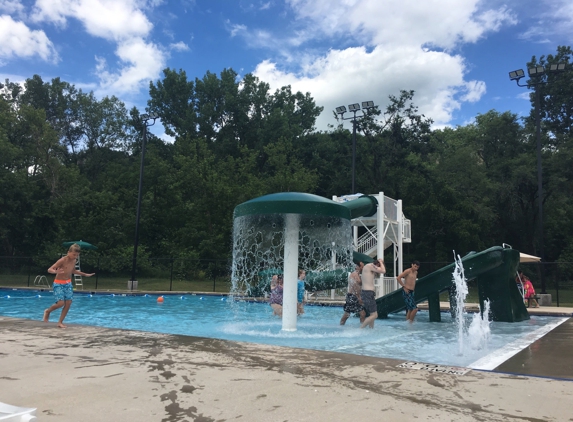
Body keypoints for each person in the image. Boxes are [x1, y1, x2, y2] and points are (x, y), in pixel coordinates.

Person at [43, 243, 95, 328]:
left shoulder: (74, 261)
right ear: (68, 252)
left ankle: (60, 322)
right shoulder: (62, 260)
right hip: (58, 283)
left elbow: (73, 271)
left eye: (77, 255)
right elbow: (49, 269)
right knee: (60, 303)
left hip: (68, 283)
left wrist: (85, 274)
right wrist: (56, 272)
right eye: (74, 254)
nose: (75, 256)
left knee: (68, 303)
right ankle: (48, 311)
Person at [360, 258, 386, 329]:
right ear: (377, 264)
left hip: (369, 293)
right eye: (380, 265)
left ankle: (371, 330)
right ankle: (361, 329)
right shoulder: (369, 265)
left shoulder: (371, 268)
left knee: (373, 314)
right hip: (367, 293)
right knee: (375, 315)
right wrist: (381, 262)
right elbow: (383, 271)